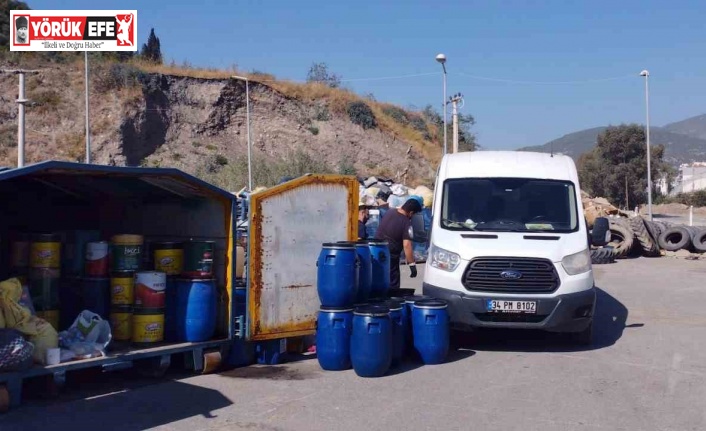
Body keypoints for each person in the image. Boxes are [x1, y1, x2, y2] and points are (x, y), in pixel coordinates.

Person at [374, 198, 422, 289]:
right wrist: (412, 265)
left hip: (377, 250)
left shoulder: (389, 212)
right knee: (393, 285)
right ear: (411, 213)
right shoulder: (406, 223)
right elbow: (407, 245)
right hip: (391, 256)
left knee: (379, 280)